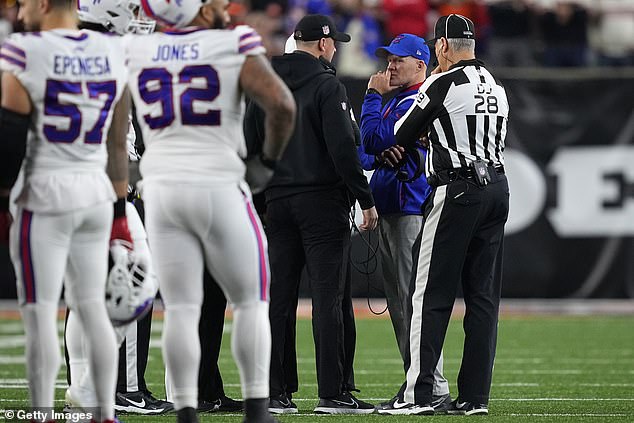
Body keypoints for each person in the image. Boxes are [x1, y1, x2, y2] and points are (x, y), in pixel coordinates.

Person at [124, 0, 296, 422]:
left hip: (161, 191)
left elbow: (114, 125)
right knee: (251, 301)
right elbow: (282, 105)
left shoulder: (136, 49)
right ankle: (257, 406)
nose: (223, 5)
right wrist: (267, 162)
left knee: (181, 308)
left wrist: (133, 171)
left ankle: (186, 409)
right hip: (219, 182)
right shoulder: (232, 42)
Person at [0, 0, 131, 420]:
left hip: (44, 192)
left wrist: (5, 194)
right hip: (95, 190)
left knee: (39, 313)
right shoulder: (113, 52)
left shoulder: (23, 50)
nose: (18, 15)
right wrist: (119, 211)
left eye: (21, 5)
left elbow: (10, 133)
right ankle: (104, 411)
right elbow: (117, 143)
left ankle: (41, 413)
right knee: (92, 305)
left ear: (41, 3)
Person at [244, 14, 378, 415]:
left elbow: (251, 145)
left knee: (278, 301)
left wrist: (262, 200)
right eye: (333, 42)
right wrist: (364, 197)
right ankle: (333, 393)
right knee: (328, 299)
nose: (335, 48)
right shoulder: (326, 84)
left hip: (279, 204)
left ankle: (275, 392)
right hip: (321, 204)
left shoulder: (264, 82)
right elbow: (341, 147)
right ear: (321, 44)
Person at [380, 14, 510, 416]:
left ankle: (417, 394)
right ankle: (475, 398)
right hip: (497, 189)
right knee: (483, 298)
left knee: (428, 294)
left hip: (458, 189)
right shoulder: (496, 85)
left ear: (440, 47)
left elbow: (400, 133)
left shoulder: (442, 82)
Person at [57, 0, 173, 415]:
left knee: (84, 291)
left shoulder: (63, 53)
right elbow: (113, 137)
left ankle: (84, 388)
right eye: (131, 11)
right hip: (104, 185)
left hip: (67, 183)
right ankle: (123, 388)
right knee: (133, 283)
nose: (141, 23)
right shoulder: (107, 62)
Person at [356, 33, 451, 414]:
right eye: (389, 59)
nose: (390, 65)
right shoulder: (400, 101)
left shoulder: (415, 99)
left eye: (398, 59)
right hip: (392, 207)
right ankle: (419, 380)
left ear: (421, 64)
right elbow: (365, 151)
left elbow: (371, 138)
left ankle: (432, 384)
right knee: (400, 303)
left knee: (413, 303)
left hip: (409, 207)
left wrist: (371, 98)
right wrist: (380, 147)